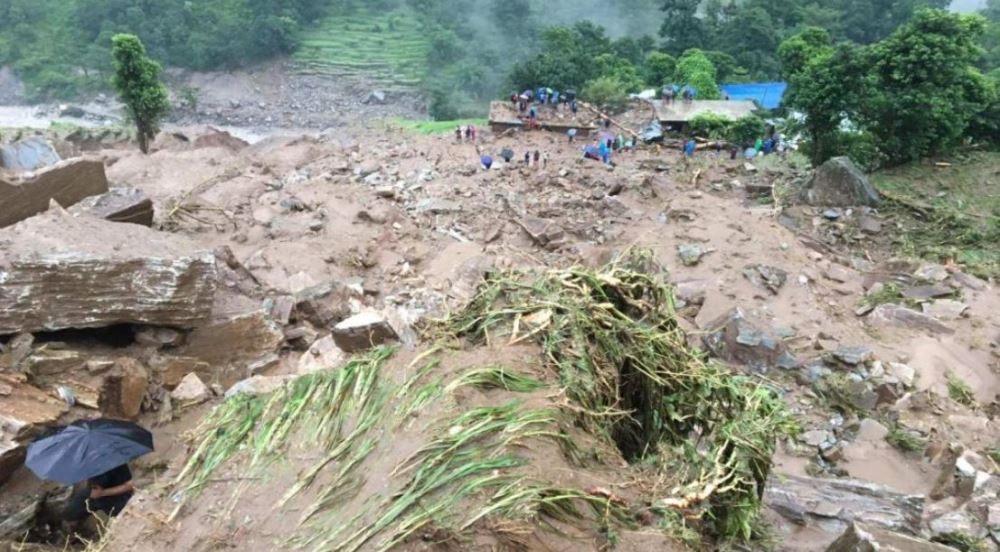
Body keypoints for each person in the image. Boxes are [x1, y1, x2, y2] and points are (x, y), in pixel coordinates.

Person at [64, 464, 135, 522]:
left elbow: (129, 485)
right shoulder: (90, 461)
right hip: (93, 493)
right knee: (69, 514)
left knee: (121, 519)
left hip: (116, 498)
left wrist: (103, 493)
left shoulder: (116, 462)